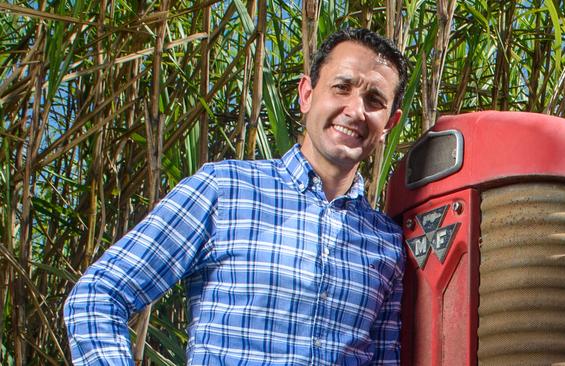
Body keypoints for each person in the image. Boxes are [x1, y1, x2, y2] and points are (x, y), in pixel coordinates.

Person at [65, 27, 408, 365]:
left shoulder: (387, 243)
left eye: (373, 100)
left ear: (389, 124)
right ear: (307, 94)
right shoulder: (225, 191)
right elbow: (97, 295)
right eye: (342, 87)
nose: (355, 109)